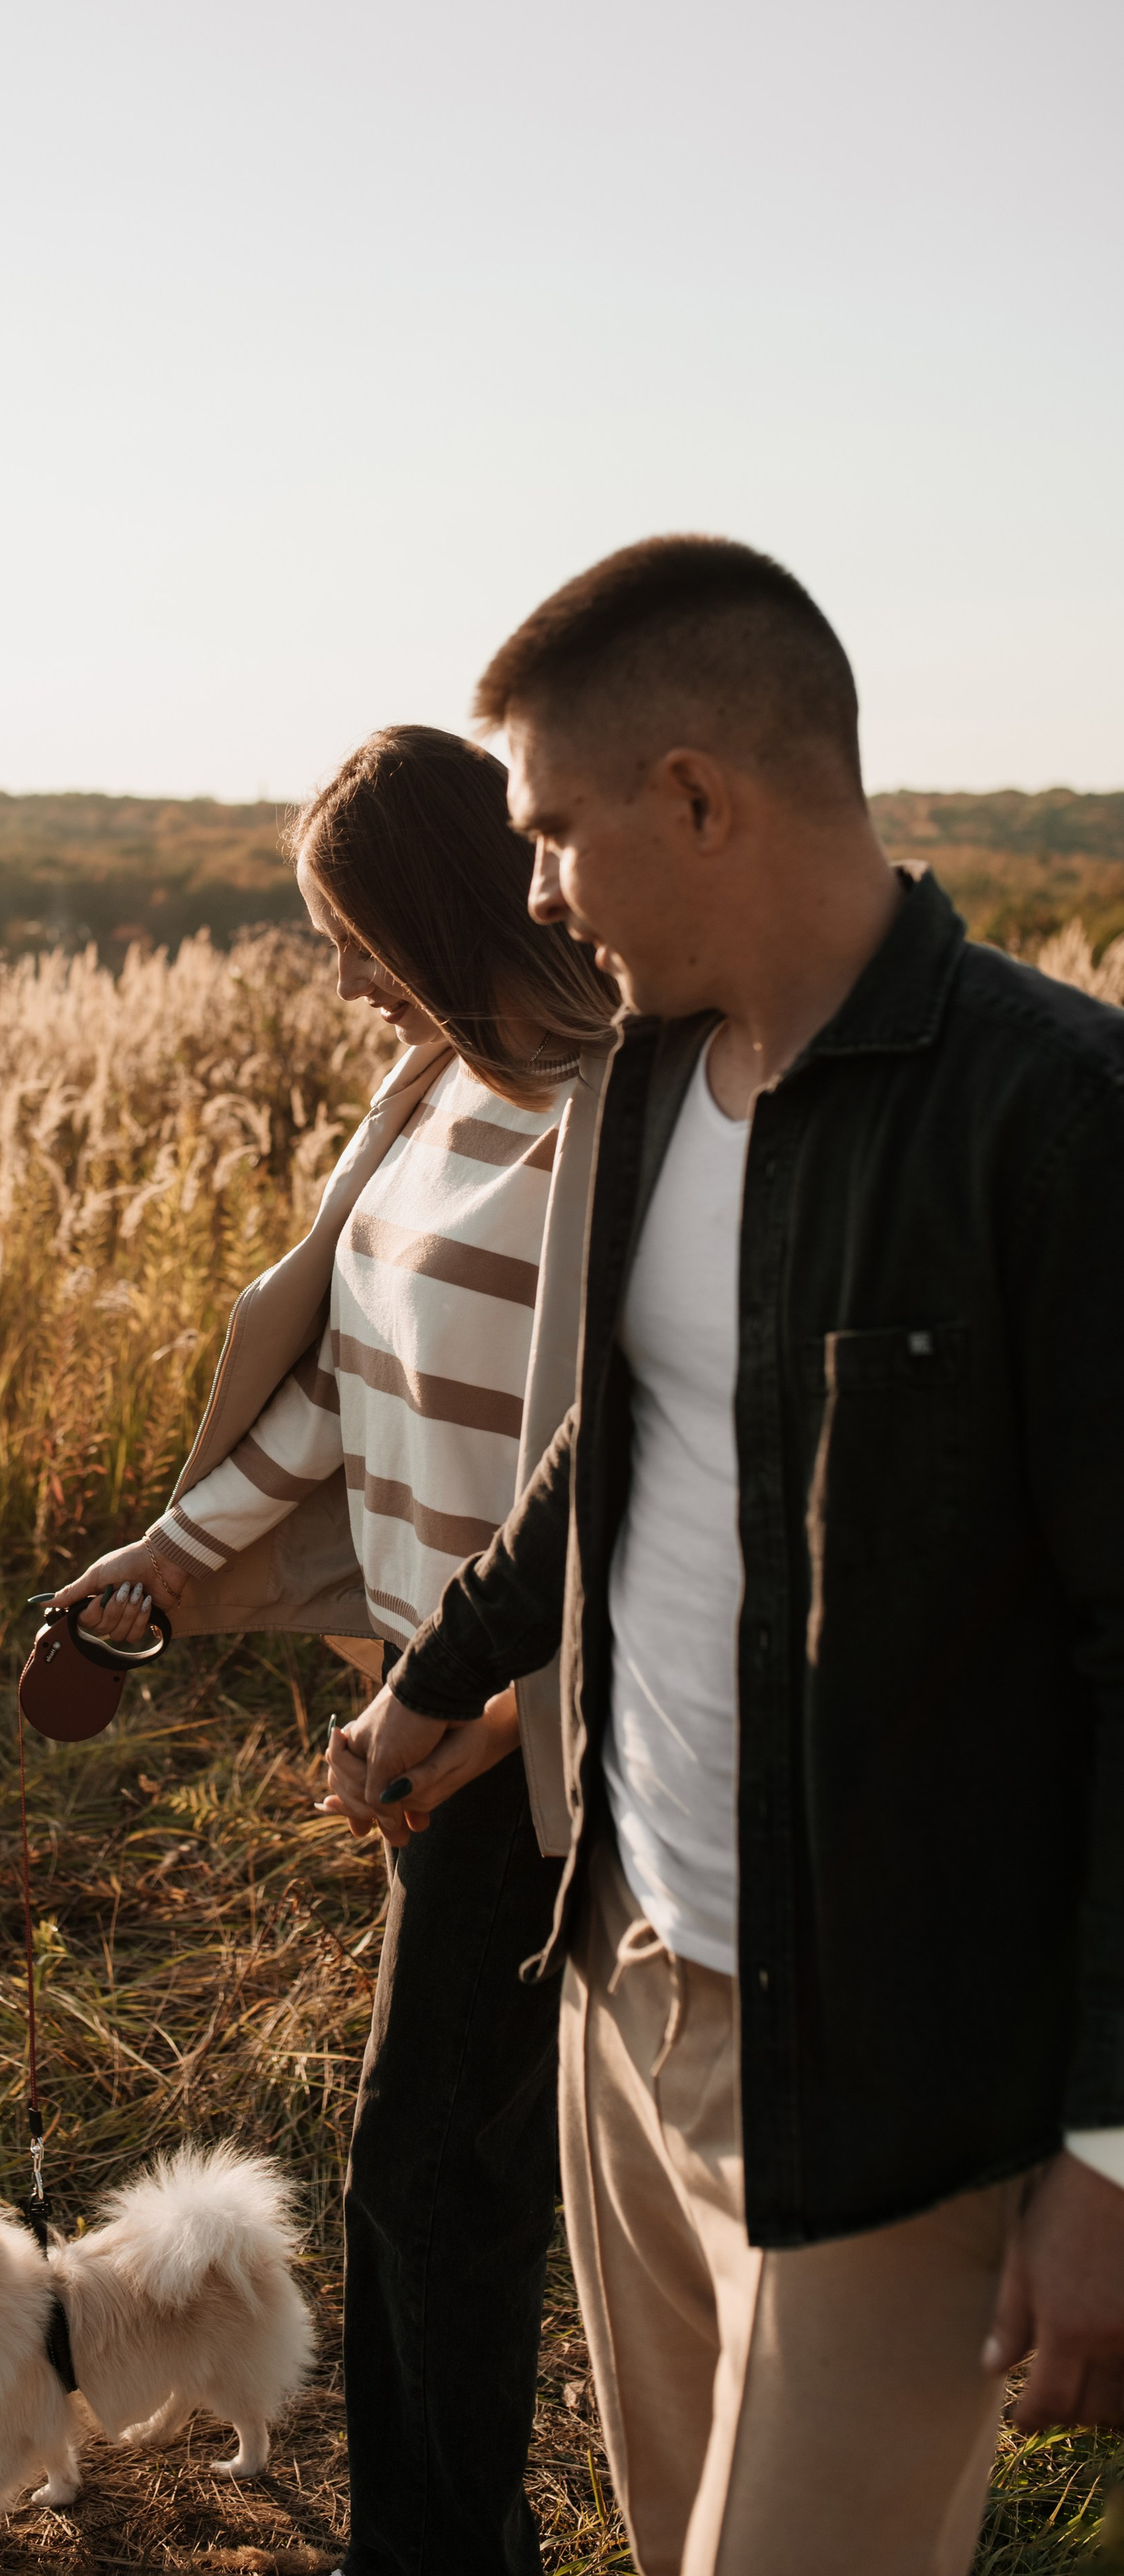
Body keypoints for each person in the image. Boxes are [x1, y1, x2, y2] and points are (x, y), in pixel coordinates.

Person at [330, 537, 1124, 2576]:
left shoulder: (1055, 1121)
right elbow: (620, 1438)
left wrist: (1112, 2152)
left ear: (695, 796)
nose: (530, 892)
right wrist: (443, 1671)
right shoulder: (646, 1080)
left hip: (895, 2067)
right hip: (624, 1975)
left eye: (550, 831)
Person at [54, 724, 618, 2575]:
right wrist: (169, 1555)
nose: (346, 980)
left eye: (356, 939)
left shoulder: (623, 1122)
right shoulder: (427, 1093)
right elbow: (333, 1385)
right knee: (453, 2157)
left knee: (433, 2167)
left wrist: (501, 1706)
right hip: (430, 1704)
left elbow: (652, 1469)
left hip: (556, 1725)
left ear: (444, 910)